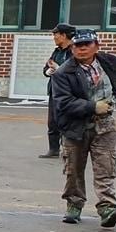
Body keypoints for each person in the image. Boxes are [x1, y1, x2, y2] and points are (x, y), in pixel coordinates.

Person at [51, 29, 116, 227]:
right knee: (74, 169)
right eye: (78, 45)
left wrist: (114, 94)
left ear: (96, 46)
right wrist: (93, 107)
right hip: (75, 127)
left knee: (105, 167)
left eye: (87, 44)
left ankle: (107, 208)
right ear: (72, 48)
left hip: (105, 125)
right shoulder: (63, 73)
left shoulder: (111, 63)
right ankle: (74, 205)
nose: (82, 48)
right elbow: (63, 102)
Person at [39, 23, 76, 158]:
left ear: (64, 35)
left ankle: (70, 150)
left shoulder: (74, 51)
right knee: (53, 122)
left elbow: (75, 70)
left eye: (56, 34)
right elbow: (47, 67)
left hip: (69, 92)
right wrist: (48, 71)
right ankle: (54, 149)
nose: (54, 37)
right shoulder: (57, 52)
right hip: (55, 91)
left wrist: (58, 69)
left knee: (68, 122)